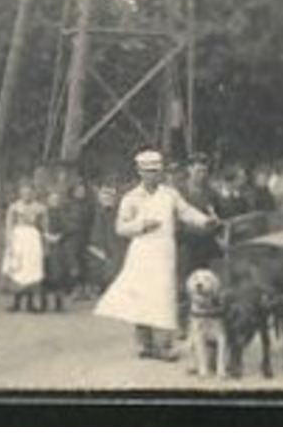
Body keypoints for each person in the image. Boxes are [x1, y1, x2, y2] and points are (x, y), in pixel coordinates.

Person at [94, 149, 220, 360]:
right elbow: (120, 228)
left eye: (156, 171)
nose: (153, 175)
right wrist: (141, 225)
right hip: (141, 252)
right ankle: (144, 343)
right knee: (143, 295)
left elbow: (186, 211)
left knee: (163, 295)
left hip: (164, 252)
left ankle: (164, 345)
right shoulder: (131, 197)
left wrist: (205, 220)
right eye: (148, 171)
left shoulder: (169, 194)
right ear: (139, 172)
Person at [1, 181, 51, 313]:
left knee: (31, 269)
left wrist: (45, 241)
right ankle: (16, 302)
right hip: (19, 237)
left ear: (34, 193)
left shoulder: (40, 208)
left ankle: (30, 303)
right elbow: (9, 226)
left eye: (29, 192)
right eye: (24, 192)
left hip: (33, 238)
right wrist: (9, 243)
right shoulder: (14, 207)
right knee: (18, 268)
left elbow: (45, 227)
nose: (27, 195)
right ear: (20, 193)